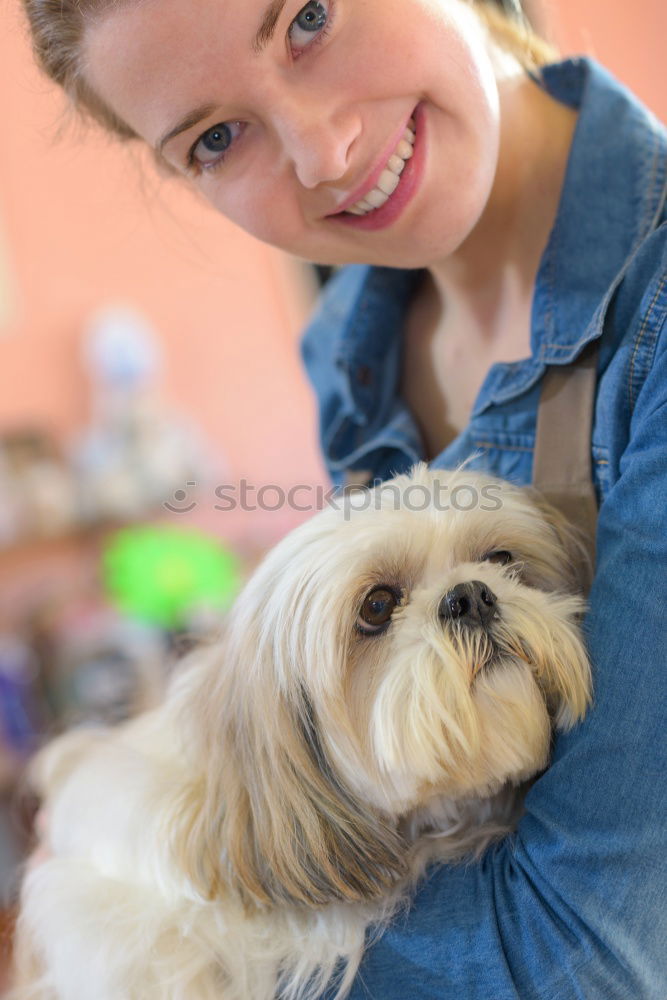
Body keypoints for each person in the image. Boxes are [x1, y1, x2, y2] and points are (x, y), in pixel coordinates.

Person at [19, 0, 667, 997]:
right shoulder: (349, 349)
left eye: (308, 17)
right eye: (216, 138)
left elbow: (584, 959)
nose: (321, 153)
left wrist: (166, 940)